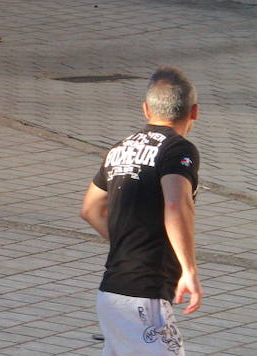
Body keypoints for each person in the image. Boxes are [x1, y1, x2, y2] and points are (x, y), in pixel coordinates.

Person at [80, 66, 202, 355]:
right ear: (194, 112)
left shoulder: (119, 148)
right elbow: (176, 203)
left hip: (112, 291)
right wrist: (189, 269)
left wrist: (127, 242)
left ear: (146, 109)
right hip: (144, 294)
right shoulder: (178, 149)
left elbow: (90, 209)